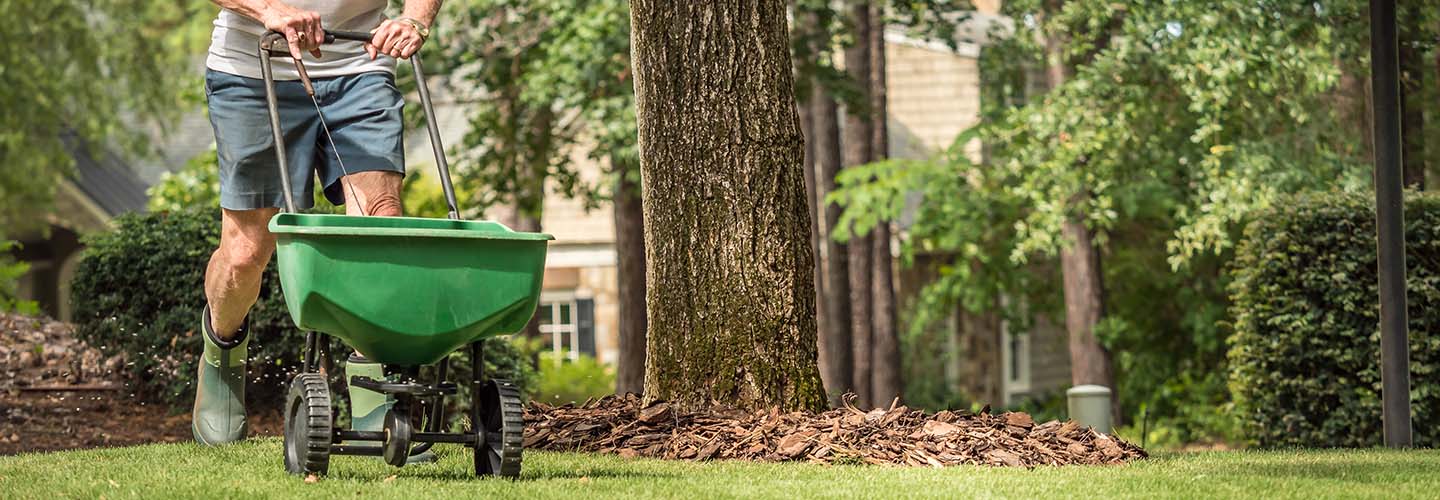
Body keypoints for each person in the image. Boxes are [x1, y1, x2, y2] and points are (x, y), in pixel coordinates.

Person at [192, 0, 439, 451]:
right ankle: (221, 354)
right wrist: (268, 9)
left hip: (360, 65)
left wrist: (416, 19)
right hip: (253, 66)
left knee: (379, 227)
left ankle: (375, 387)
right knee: (247, 251)